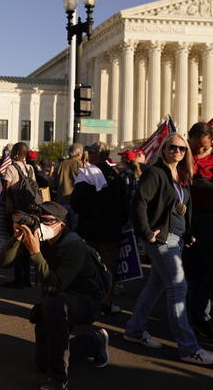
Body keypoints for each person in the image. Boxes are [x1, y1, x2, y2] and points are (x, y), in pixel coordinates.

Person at [0, 202, 109, 390]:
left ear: (61, 225)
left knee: (54, 304)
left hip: (86, 301)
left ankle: (59, 379)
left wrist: (35, 253)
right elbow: (4, 262)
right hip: (56, 300)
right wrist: (16, 238)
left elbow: (54, 287)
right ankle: (94, 342)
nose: (41, 226)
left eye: (47, 222)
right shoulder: (39, 239)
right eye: (38, 221)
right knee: (43, 363)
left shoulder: (73, 245)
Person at [124, 133, 213, 365]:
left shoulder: (181, 174)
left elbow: (185, 206)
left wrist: (188, 232)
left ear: (186, 154)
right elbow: (139, 203)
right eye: (172, 147)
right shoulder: (155, 173)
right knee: (178, 287)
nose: (177, 152)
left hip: (176, 237)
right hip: (162, 239)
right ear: (163, 149)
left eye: (182, 149)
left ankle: (134, 330)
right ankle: (188, 347)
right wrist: (146, 232)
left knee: (156, 286)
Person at [71, 142, 127, 315]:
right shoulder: (116, 175)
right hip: (111, 231)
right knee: (108, 268)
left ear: (95, 155)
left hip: (91, 230)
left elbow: (76, 202)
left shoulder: (88, 173)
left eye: (90, 152)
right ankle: (106, 303)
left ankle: (91, 303)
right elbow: (125, 205)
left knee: (90, 267)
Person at [183, 122, 213, 339]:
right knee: (195, 271)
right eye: (195, 147)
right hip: (190, 219)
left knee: (207, 271)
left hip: (209, 218)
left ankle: (202, 315)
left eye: (203, 147)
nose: (199, 151)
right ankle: (197, 316)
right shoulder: (184, 157)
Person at [3, 141, 40, 288]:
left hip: (16, 210)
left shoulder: (11, 168)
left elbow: (7, 189)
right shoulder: (30, 169)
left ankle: (18, 279)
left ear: (16, 153)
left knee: (16, 242)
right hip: (30, 211)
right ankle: (26, 279)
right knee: (26, 243)